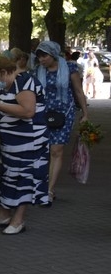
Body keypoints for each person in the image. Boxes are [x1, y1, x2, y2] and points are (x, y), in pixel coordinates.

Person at [0, 54, 50, 234]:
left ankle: (18, 220)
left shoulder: (25, 82)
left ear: (3, 72)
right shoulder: (7, 86)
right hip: (11, 143)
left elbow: (27, 111)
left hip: (29, 141)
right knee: (8, 176)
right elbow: (0, 112)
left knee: (24, 177)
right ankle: (4, 214)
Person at [34, 40, 89, 205]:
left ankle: (49, 190)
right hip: (42, 114)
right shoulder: (38, 71)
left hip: (63, 114)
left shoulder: (70, 69)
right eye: (39, 56)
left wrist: (85, 113)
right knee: (43, 151)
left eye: (44, 56)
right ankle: (41, 187)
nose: (41, 59)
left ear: (53, 54)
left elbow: (78, 91)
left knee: (56, 150)